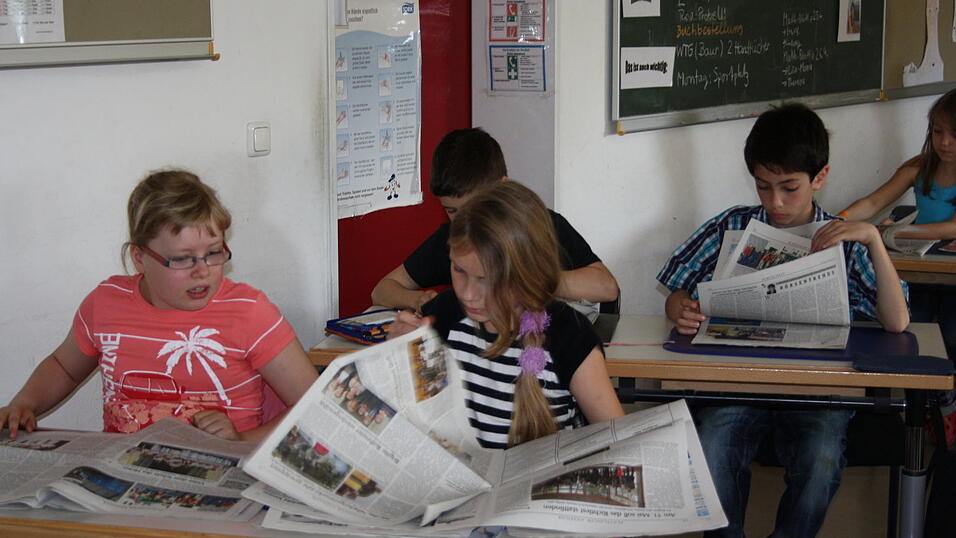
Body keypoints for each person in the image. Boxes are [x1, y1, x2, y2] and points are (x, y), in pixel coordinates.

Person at [656, 103, 909, 538]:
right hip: (738, 380)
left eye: (789, 188)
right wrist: (678, 306)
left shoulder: (841, 238)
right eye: (763, 186)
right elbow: (676, 286)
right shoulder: (733, 225)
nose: (775, 202)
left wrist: (871, 238)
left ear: (820, 177)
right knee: (713, 445)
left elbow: (898, 322)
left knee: (821, 458)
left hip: (817, 387)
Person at [0, 170, 318, 442]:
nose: (202, 270)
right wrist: (25, 403)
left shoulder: (249, 312)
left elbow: (316, 405)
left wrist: (242, 440)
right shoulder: (105, 304)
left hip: (226, 474)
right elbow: (64, 367)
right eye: (181, 258)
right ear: (139, 258)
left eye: (214, 252)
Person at [391, 181, 623, 448]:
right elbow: (415, 410)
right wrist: (398, 354)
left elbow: (616, 441)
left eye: (486, 279)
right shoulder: (444, 315)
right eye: (458, 270)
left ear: (528, 273)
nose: (468, 294)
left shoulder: (568, 335)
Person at [371, 127, 618, 314]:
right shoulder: (452, 238)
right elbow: (382, 289)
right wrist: (417, 300)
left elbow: (606, 288)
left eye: (476, 207)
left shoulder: (544, 227)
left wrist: (529, 281)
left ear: (503, 187)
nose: (467, 220)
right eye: (452, 211)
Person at [840, 88, 956, 359]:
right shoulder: (918, 167)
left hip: (950, 274)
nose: (945, 142)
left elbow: (952, 227)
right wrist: (838, 220)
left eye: (954, 134)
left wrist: (890, 232)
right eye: (938, 132)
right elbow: (872, 204)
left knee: (951, 334)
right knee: (914, 327)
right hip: (917, 268)